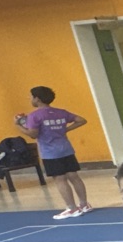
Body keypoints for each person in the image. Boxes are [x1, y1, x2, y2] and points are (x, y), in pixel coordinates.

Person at [16, 85, 90, 218]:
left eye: (31, 96)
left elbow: (33, 134)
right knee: (74, 176)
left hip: (50, 153)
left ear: (37, 99)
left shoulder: (34, 116)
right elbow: (81, 120)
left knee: (60, 180)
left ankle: (72, 208)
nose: (30, 99)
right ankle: (84, 204)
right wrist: (66, 129)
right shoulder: (61, 112)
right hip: (66, 149)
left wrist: (18, 126)